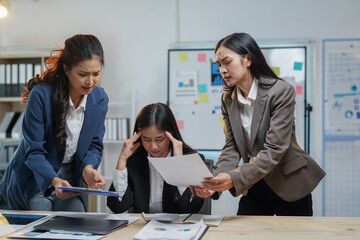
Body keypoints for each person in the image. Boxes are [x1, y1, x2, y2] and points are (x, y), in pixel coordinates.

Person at [193, 33, 325, 216]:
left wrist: (232, 178)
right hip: (254, 182)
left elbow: (275, 149)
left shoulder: (280, 91)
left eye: (227, 62)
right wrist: (214, 182)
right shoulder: (228, 99)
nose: (222, 70)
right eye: (219, 65)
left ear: (247, 59)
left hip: (289, 184)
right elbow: (231, 147)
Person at [0, 34, 108, 211]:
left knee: (77, 217)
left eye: (96, 74)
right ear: (66, 69)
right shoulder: (41, 95)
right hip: (34, 178)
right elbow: (33, 151)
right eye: (83, 74)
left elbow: (94, 145)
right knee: (42, 219)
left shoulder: (99, 98)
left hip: (69, 179)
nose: (90, 81)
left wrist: (88, 168)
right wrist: (54, 180)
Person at [107, 103, 204, 214]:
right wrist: (122, 159)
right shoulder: (134, 161)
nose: (153, 146)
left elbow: (191, 208)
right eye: (147, 139)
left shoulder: (193, 160)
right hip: (143, 228)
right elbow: (117, 207)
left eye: (159, 139)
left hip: (178, 228)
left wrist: (179, 163)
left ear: (171, 135)